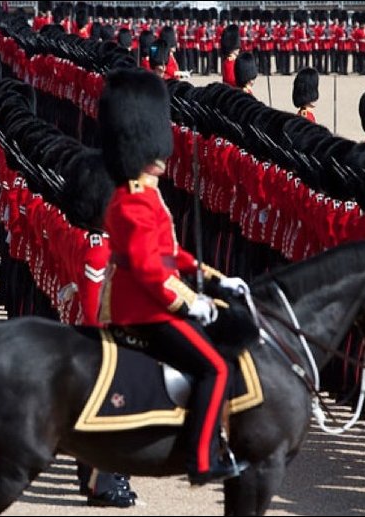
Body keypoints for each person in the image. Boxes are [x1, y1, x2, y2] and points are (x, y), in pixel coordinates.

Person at [98, 68, 248, 486]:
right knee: (215, 368)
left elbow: (170, 253)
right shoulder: (132, 200)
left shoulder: (146, 194)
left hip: (151, 300)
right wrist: (190, 301)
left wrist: (214, 280)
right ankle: (201, 459)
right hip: (144, 310)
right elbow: (149, 268)